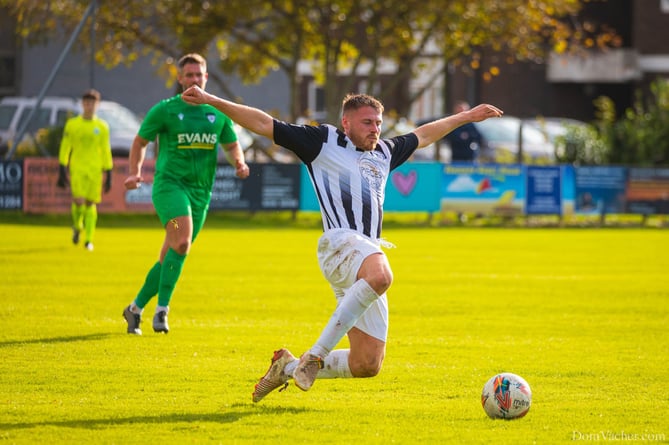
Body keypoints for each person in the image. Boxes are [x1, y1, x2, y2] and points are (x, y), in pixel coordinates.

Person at [181, 85, 502, 402]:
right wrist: (210, 99)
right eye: (367, 123)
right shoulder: (323, 141)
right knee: (382, 276)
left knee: (367, 363)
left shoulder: (385, 152)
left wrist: (468, 116)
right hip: (340, 244)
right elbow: (265, 124)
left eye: (378, 122)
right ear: (346, 123)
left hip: (365, 253)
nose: (375, 129)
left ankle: (288, 366)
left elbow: (426, 133)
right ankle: (315, 356)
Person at [122, 53, 250, 335]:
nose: (194, 80)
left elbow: (231, 145)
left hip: (200, 196)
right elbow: (140, 141)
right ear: (180, 79)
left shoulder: (217, 113)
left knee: (171, 254)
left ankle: (134, 309)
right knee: (181, 242)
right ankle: (162, 312)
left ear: (206, 78)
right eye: (188, 75)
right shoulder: (165, 110)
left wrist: (239, 162)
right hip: (169, 191)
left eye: (198, 75)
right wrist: (135, 171)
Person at [57, 88, 113, 252]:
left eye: (93, 103)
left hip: (95, 170)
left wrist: (109, 173)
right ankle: (77, 225)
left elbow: (105, 150)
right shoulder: (73, 124)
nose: (90, 106)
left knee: (90, 203)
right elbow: (65, 147)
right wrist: (62, 167)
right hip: (78, 168)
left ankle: (88, 240)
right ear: (83, 104)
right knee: (79, 201)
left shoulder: (102, 126)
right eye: (87, 103)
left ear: (97, 105)